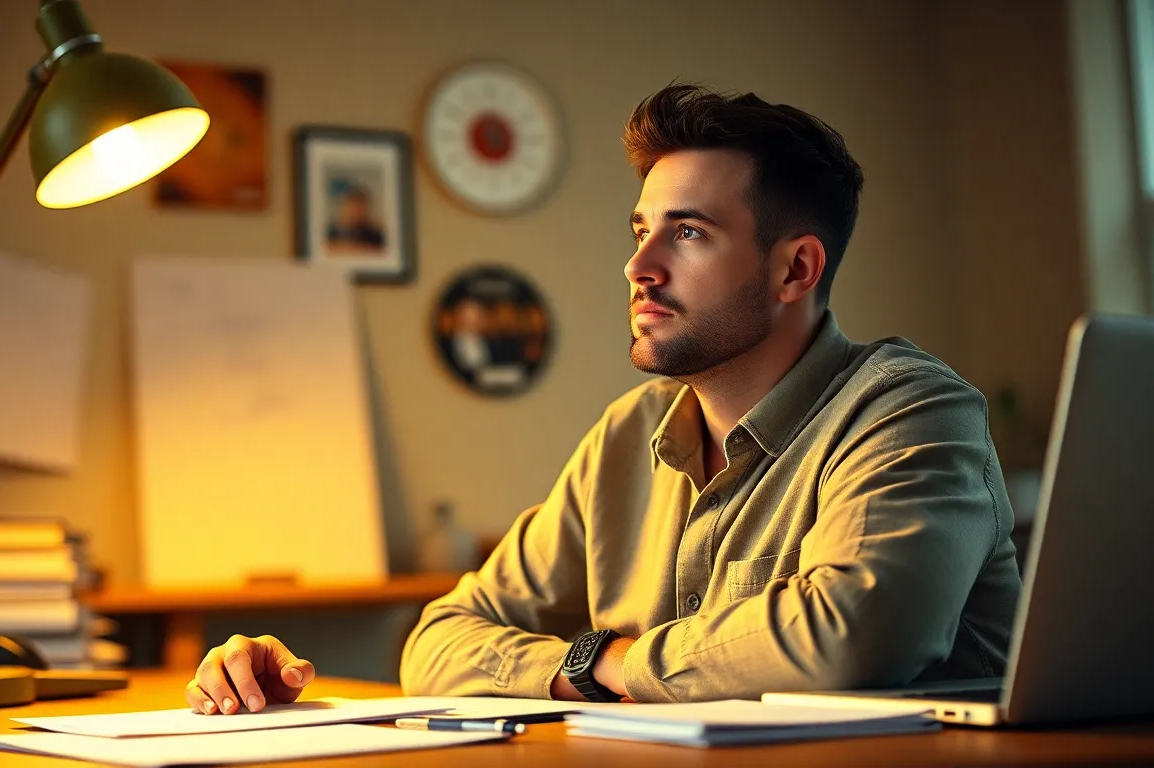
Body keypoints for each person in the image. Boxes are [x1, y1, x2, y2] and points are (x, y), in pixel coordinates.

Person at [182, 85, 1022, 714]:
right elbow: (438, 641)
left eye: (687, 233)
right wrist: (585, 665)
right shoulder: (629, 436)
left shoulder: (909, 413)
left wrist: (612, 664)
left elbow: (850, 640)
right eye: (639, 230)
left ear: (795, 268)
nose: (639, 266)